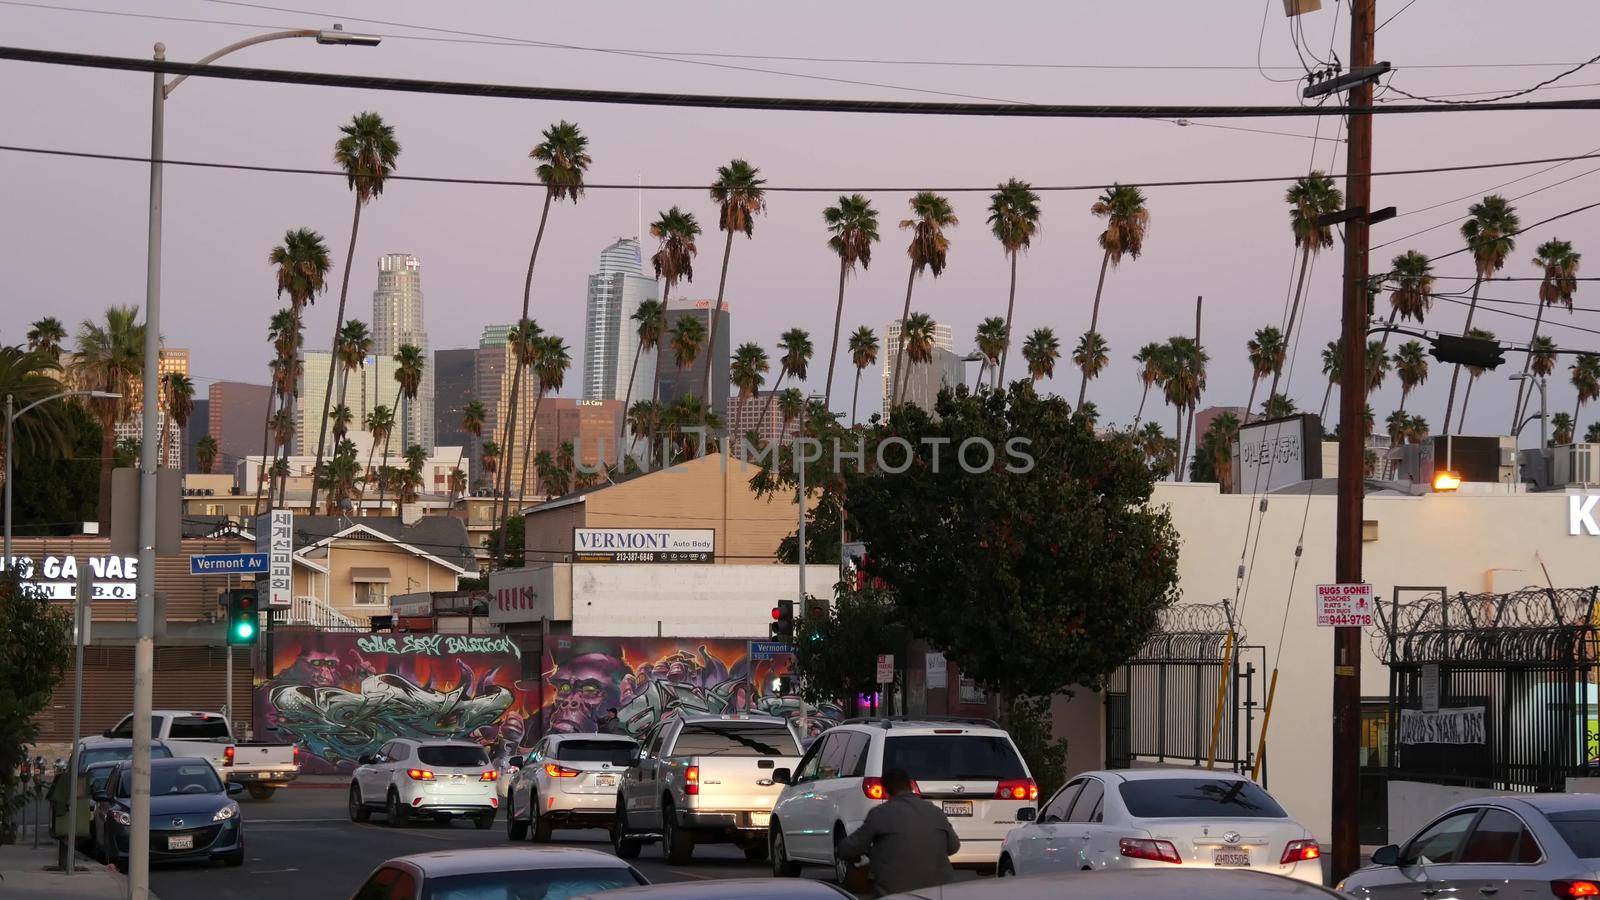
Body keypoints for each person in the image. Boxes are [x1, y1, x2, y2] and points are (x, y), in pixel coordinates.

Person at [834, 767, 960, 895]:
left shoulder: (880, 814)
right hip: (941, 893)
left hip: (896, 894)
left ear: (885, 790)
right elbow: (954, 847)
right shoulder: (935, 811)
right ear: (910, 785)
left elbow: (849, 848)